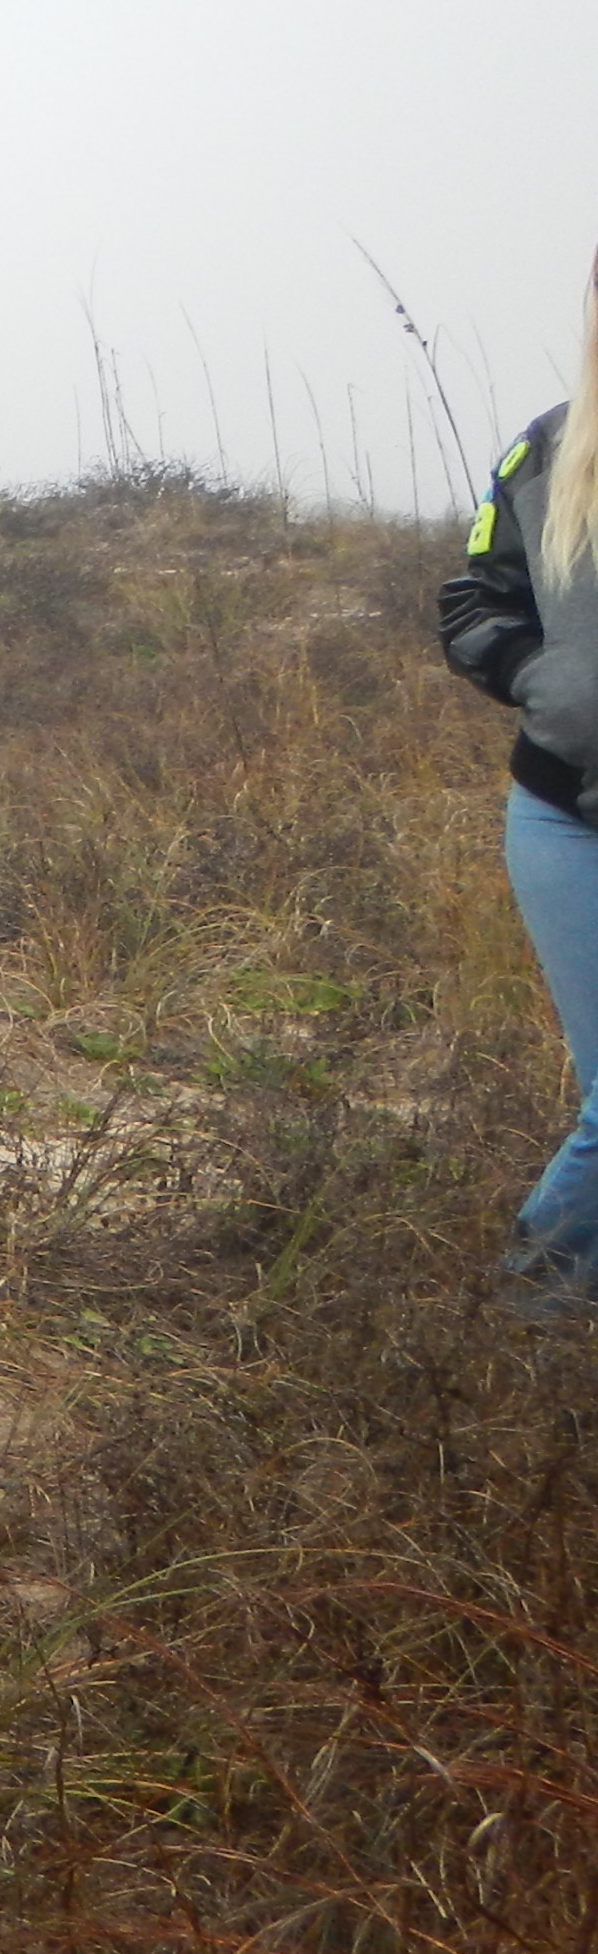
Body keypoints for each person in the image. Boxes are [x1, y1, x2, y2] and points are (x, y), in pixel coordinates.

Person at [437, 281, 598, 1300]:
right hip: (562, 817)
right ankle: (524, 1320)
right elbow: (472, 602)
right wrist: (548, 685)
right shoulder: (546, 448)